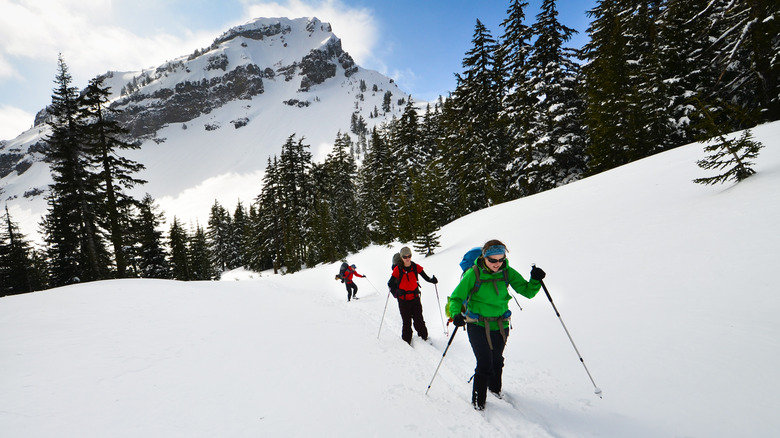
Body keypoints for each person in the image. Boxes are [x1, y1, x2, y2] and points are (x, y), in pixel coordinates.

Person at [447, 239, 546, 411]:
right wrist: (456, 314)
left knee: (497, 360)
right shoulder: (473, 274)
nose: (497, 264)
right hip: (477, 324)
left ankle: (494, 390)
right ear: (485, 257)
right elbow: (456, 297)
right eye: (493, 260)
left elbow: (528, 292)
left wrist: (535, 280)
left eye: (501, 259)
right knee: (484, 363)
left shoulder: (506, 272)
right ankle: (478, 401)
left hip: (501, 324)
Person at [387, 246, 438, 345]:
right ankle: (406, 342)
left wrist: (432, 280)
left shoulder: (415, 266)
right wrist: (396, 293)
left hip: (415, 298)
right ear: (401, 258)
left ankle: (424, 338)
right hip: (403, 300)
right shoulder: (398, 269)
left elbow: (425, 277)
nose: (407, 258)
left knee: (419, 319)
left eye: (409, 256)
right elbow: (390, 283)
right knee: (406, 322)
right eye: (405, 257)